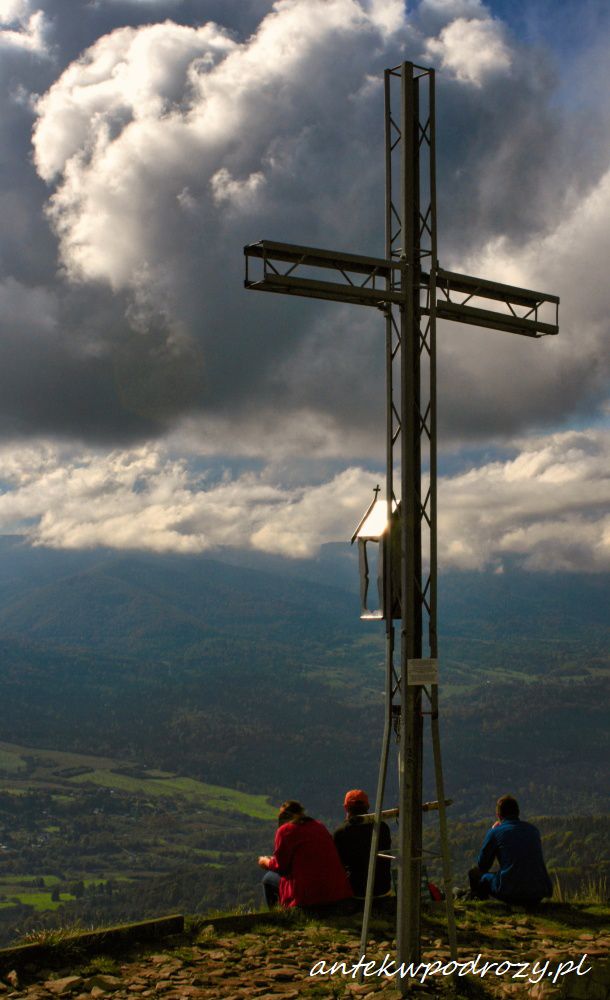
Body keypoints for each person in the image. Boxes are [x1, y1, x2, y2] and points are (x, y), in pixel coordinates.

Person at [258, 799, 353, 909]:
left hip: (307, 897)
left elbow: (281, 867)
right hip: (337, 893)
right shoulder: (319, 826)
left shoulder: (285, 830)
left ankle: (280, 917)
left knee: (268, 878)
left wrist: (265, 861)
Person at [469, 794, 553, 905]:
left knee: (475, 874)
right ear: (518, 812)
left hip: (511, 892)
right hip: (539, 892)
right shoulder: (533, 830)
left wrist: (492, 832)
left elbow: (483, 865)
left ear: (498, 815)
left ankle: (481, 905)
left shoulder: (495, 832)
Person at [333, 789, 392, 898]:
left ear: (346, 807)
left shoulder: (341, 832)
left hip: (356, 890)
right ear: (367, 806)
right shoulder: (382, 827)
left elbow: (337, 865)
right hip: (383, 887)